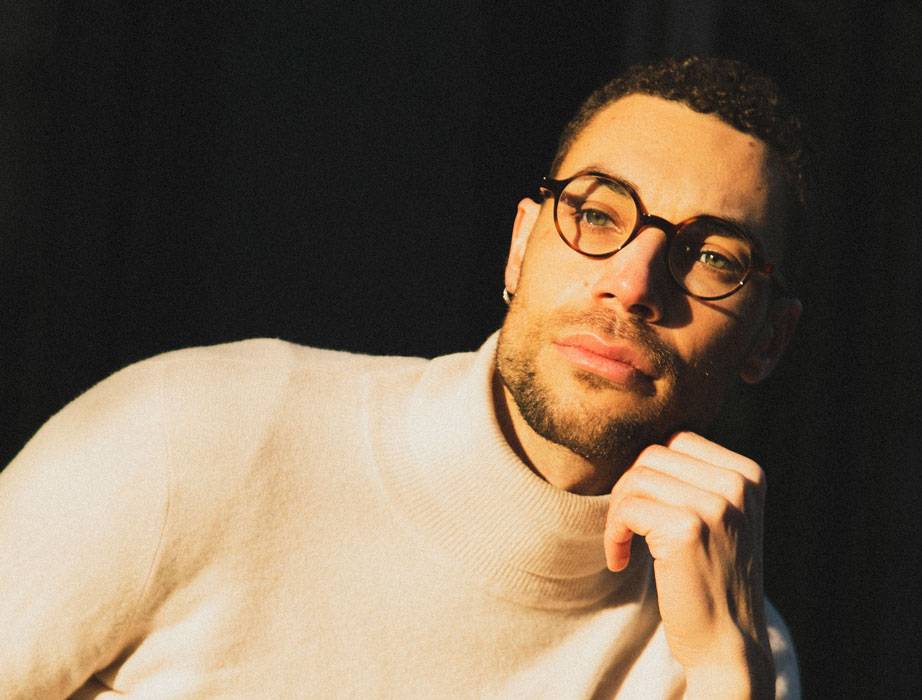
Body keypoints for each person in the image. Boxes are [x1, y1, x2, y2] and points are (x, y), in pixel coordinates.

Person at [1, 56, 804, 698]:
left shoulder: (727, 650)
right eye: (597, 214)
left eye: (711, 257)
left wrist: (727, 676)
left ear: (768, 340)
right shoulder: (196, 435)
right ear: (520, 248)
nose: (631, 283)